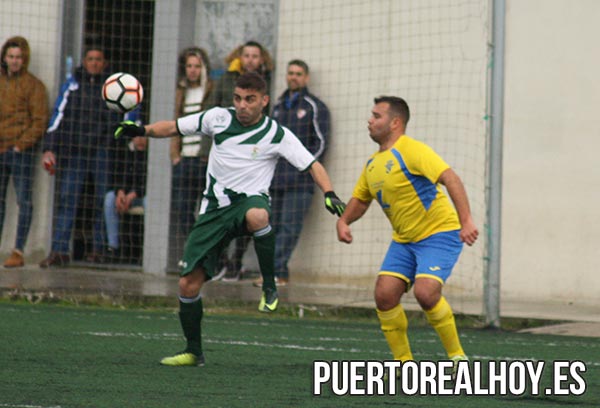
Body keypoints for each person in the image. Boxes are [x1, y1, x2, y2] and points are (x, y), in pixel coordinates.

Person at [114, 72, 346, 366]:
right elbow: (173, 128)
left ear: (263, 101)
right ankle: (193, 351)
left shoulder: (278, 134)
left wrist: (330, 193)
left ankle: (269, 286)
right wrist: (141, 130)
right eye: (238, 98)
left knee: (258, 214)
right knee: (187, 285)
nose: (242, 105)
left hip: (249, 202)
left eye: (250, 99)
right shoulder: (217, 118)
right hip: (213, 210)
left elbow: (313, 165)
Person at [336, 96, 479, 371]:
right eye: (371, 115)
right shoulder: (372, 164)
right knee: (385, 294)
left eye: (376, 116)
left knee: (426, 293)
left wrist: (467, 220)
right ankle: (404, 364)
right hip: (404, 241)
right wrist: (344, 221)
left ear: (395, 123)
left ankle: (458, 358)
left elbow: (451, 178)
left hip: (439, 233)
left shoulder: (411, 150)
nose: (370, 120)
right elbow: (361, 199)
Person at [39, 45, 125, 267]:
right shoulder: (72, 85)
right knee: (68, 198)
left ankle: (99, 249)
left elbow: (126, 115)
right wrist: (49, 148)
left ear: (105, 63)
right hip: (74, 151)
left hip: (102, 151)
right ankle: (59, 250)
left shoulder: (113, 87)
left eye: (98, 59)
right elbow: (57, 116)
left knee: (101, 200)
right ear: (84, 62)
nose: (94, 63)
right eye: (90, 59)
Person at [254, 59, 330, 287]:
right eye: (290, 73)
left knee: (289, 228)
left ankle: (274, 274)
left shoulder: (314, 106)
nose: (293, 77)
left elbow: (321, 143)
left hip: (300, 183)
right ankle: (280, 273)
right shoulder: (277, 106)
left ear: (306, 78)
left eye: (298, 73)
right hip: (275, 181)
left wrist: (303, 168)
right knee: (272, 227)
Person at [205, 41, 274, 280]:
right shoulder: (226, 80)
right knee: (221, 209)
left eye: (256, 56)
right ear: (240, 57)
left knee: (251, 212)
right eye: (247, 55)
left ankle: (236, 261)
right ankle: (219, 260)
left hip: (254, 160)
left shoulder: (269, 84)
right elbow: (210, 112)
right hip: (226, 159)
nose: (251, 60)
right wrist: (207, 151)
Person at [0, 36, 49, 268]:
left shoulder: (34, 85)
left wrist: (21, 145)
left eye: (19, 57)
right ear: (4, 57)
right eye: (10, 56)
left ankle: (18, 250)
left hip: (21, 152)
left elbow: (39, 121)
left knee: (24, 200)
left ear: (25, 58)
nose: (14, 61)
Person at [170, 47, 213, 267]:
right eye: (189, 66)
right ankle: (196, 252)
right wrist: (175, 154)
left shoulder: (211, 90)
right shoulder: (180, 91)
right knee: (182, 208)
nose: (193, 70)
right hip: (184, 159)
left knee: (208, 211)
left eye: (197, 66)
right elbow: (175, 122)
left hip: (204, 160)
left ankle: (208, 256)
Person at [103, 135, 148, 262]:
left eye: (143, 136)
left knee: (149, 202)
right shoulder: (125, 153)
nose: (140, 140)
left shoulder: (152, 155)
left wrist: (134, 194)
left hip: (142, 195)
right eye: (137, 136)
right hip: (126, 194)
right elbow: (118, 175)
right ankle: (113, 247)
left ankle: (148, 248)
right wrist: (120, 192)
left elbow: (150, 182)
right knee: (109, 198)